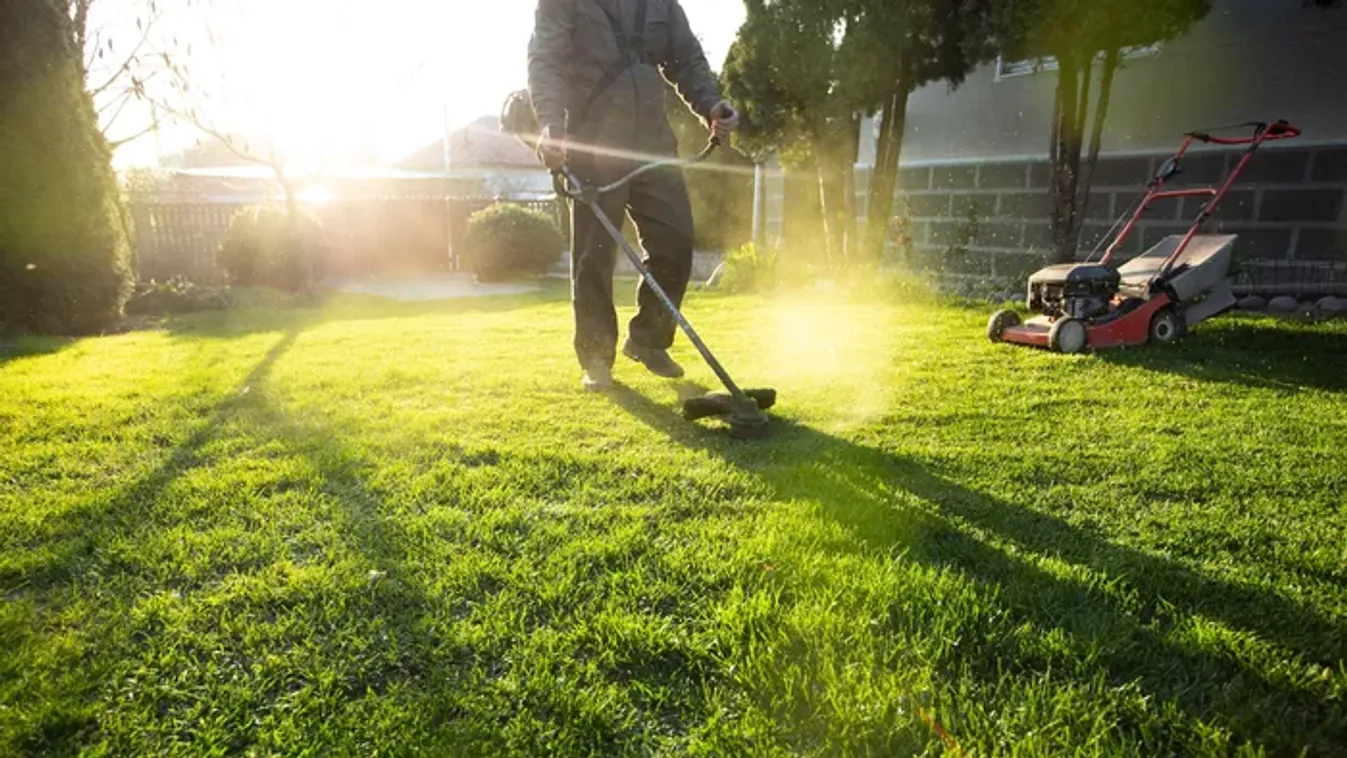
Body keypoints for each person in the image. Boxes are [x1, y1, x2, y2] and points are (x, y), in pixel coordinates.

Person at [527, 0, 739, 391]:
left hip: (652, 144)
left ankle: (648, 339)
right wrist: (551, 126)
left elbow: (686, 59)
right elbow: (546, 61)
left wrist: (711, 104)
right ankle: (595, 356)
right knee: (595, 254)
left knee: (676, 240)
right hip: (594, 144)